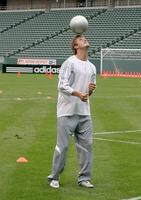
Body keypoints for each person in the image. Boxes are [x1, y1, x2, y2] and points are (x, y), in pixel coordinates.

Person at [48, 35, 96, 189]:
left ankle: (84, 178)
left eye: (85, 38)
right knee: (63, 146)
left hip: (84, 112)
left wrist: (89, 91)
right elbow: (62, 85)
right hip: (67, 111)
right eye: (81, 39)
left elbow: (89, 91)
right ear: (76, 46)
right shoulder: (70, 63)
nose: (85, 40)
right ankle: (54, 177)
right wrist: (78, 94)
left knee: (87, 146)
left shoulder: (92, 67)